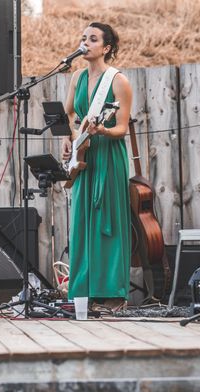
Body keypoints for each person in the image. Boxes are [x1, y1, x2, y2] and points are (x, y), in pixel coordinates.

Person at [61, 22, 133, 311]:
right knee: (81, 222)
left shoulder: (118, 81)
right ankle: (83, 293)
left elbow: (123, 128)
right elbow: (69, 114)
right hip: (83, 156)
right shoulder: (76, 77)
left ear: (106, 48)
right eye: (83, 38)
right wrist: (70, 137)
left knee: (108, 222)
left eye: (92, 39)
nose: (85, 43)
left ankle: (113, 294)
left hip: (108, 155)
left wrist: (101, 131)